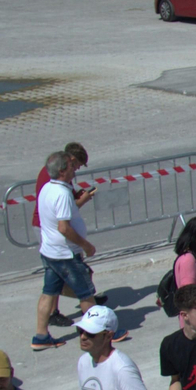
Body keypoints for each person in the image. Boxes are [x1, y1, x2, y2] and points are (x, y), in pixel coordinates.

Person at [33, 150, 118, 351]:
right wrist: (85, 246)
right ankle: (98, 333)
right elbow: (64, 227)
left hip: (50, 252)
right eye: (71, 166)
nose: (74, 168)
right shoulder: (62, 193)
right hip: (65, 255)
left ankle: (40, 336)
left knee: (48, 293)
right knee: (86, 294)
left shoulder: (47, 188)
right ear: (63, 170)